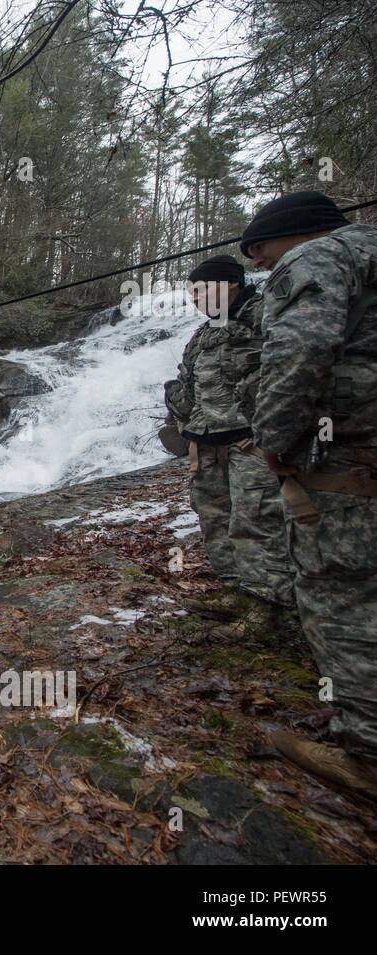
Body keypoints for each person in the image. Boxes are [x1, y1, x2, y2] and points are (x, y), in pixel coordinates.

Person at [240, 190, 377, 799]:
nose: (262, 270)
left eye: (260, 254)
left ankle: (367, 753)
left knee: (342, 595)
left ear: (288, 235)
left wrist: (272, 439)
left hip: (348, 471)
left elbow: (300, 352)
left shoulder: (316, 258)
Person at [163, 255, 295, 608]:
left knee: (257, 520)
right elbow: (187, 385)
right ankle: (233, 592)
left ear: (230, 284)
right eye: (191, 291)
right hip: (205, 444)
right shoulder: (203, 333)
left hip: (250, 443)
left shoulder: (267, 316)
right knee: (214, 519)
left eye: (201, 289)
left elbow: (294, 370)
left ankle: (267, 606)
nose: (194, 297)